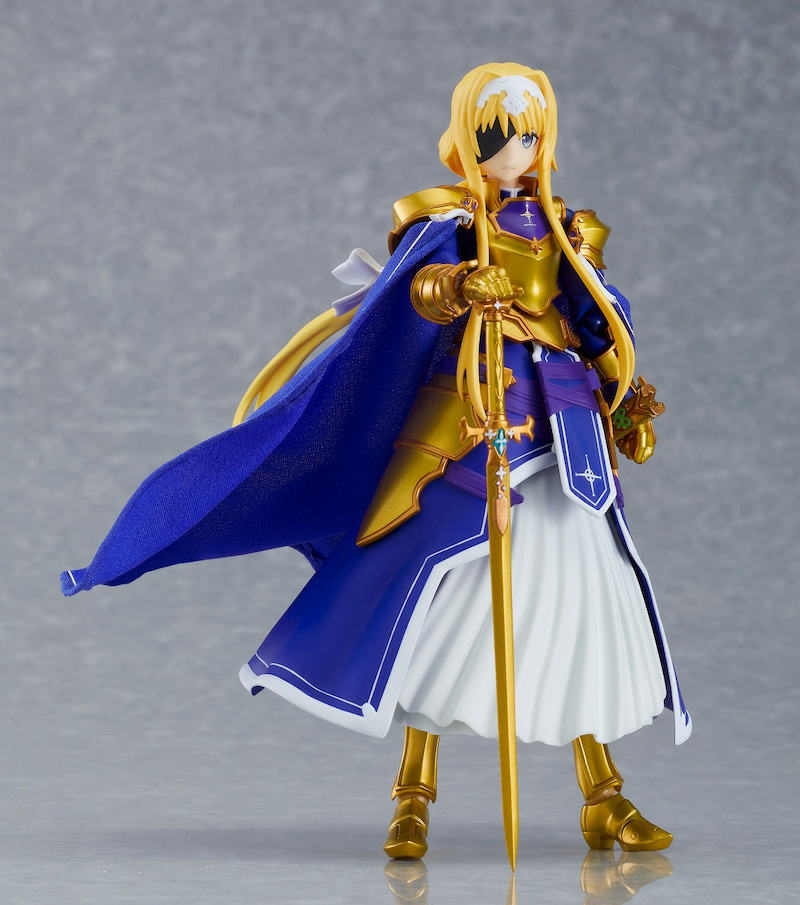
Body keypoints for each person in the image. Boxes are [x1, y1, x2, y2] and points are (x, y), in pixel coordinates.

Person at [62, 62, 690, 861]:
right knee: (436, 609)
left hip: (564, 434)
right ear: (468, 143)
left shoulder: (568, 227)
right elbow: (414, 291)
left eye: (530, 137)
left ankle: (603, 795)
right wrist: (460, 283)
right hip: (470, 427)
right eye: (500, 138)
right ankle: (412, 797)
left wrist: (627, 400)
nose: (517, 152)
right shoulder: (450, 222)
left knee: (580, 607)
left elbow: (598, 321)